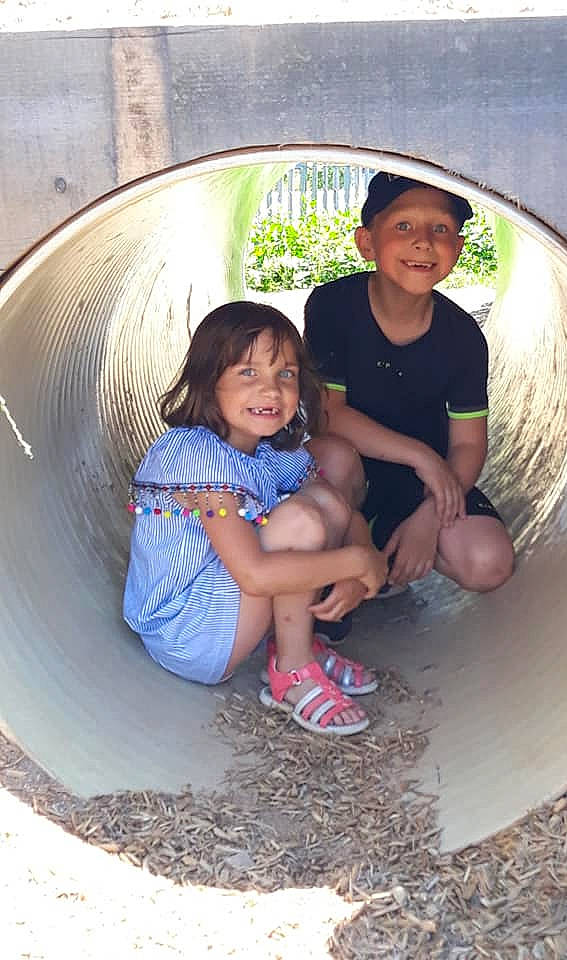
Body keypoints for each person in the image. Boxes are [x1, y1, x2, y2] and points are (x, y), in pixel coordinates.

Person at [123, 301, 388, 736]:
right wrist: (356, 563)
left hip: (225, 610)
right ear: (209, 383)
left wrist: (363, 551)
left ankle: (294, 642)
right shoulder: (195, 456)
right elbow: (254, 575)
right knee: (300, 519)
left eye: (285, 374)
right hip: (189, 634)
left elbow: (340, 505)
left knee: (324, 498)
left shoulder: (263, 454)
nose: (271, 390)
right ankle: (293, 672)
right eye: (248, 373)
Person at [304, 172, 514, 602]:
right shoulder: (333, 307)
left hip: (422, 484)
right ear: (367, 243)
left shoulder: (462, 337)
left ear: (457, 249)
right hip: (349, 473)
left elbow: (468, 447)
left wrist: (432, 515)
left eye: (440, 229)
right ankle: (339, 567)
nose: (423, 241)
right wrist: (423, 458)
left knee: (487, 561)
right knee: (333, 455)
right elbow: (330, 415)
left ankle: (390, 549)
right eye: (403, 226)